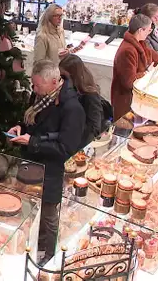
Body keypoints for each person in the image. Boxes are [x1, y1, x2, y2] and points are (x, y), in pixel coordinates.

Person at [8, 59, 85, 263]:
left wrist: (32, 142)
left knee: (49, 218)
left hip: (50, 173)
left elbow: (65, 149)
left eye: (37, 85)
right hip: (30, 167)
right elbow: (31, 122)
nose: (34, 89)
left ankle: (47, 261)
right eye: (33, 84)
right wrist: (20, 128)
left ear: (53, 82)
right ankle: (26, 252)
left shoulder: (72, 108)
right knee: (28, 212)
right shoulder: (41, 95)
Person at [111, 14, 158, 120]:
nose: (150, 32)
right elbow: (129, 82)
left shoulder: (141, 44)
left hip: (137, 100)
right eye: (148, 30)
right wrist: (147, 72)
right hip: (126, 101)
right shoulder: (127, 51)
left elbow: (157, 58)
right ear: (140, 30)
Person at [59, 55, 104, 148]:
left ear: (73, 76)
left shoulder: (90, 95)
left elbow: (94, 128)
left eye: (64, 76)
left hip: (81, 144)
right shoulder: (69, 91)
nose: (62, 80)